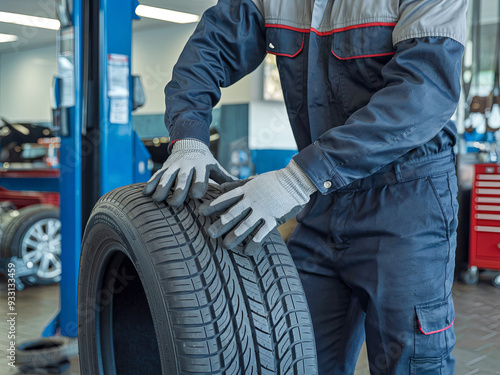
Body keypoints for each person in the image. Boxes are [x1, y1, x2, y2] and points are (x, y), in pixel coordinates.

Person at [143, 0, 467, 373]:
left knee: (410, 361)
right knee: (292, 354)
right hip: (323, 197)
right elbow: (209, 50)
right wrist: (189, 137)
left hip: (406, 201)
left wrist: (299, 178)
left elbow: (423, 95)